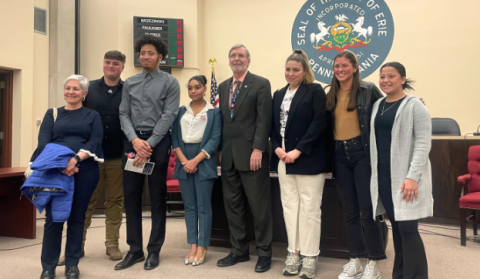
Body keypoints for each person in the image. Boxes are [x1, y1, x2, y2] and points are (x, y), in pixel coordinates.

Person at [115, 34, 180, 271]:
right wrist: (135, 140)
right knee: (131, 199)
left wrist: (148, 144)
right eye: (142, 52)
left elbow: (169, 115)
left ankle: (154, 250)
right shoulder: (130, 82)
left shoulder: (170, 83)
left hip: (158, 143)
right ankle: (134, 250)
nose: (145, 56)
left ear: (160, 56)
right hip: (132, 144)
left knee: (156, 199)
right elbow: (123, 114)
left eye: (150, 53)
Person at [57, 50, 127, 266]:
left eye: (116, 63)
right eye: (108, 62)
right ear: (103, 64)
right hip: (89, 156)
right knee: (84, 201)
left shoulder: (129, 90)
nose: (111, 66)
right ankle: (76, 247)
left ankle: (112, 244)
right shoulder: (89, 90)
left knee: (115, 200)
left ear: (122, 67)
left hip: (117, 154)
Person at [35, 75, 104, 279]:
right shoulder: (53, 114)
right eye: (67, 88)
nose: (71, 92)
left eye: (75, 89)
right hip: (55, 171)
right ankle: (48, 266)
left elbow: (95, 142)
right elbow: (44, 142)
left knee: (77, 217)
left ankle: (72, 264)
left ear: (84, 93)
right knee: (53, 218)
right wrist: (63, 163)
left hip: (85, 170)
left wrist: (75, 159)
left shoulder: (93, 115)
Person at [325, 50, 386, 279]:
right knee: (349, 212)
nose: (340, 70)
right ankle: (356, 260)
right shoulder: (330, 93)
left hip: (362, 152)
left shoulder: (367, 89)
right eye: (336, 66)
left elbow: (387, 109)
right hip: (339, 155)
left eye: (344, 66)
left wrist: (408, 104)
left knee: (367, 211)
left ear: (355, 67)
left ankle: (373, 262)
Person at [270, 49, 329, 279]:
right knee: (290, 207)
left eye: (295, 70)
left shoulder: (314, 91)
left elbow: (319, 123)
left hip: (309, 157)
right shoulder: (278, 94)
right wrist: (277, 148)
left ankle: (310, 255)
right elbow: (273, 127)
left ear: (304, 71)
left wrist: (298, 150)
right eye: (287, 69)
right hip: (283, 157)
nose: (291, 73)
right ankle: (293, 252)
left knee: (310, 209)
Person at [370, 62, 432, 279]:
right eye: (382, 76)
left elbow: (423, 143)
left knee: (408, 230)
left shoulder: (415, 105)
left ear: (403, 79)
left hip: (405, 179)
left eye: (391, 76)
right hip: (384, 177)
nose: (386, 80)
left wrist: (413, 177)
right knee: (396, 229)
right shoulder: (378, 104)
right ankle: (400, 274)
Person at [216, 44, 273, 273]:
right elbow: (223, 121)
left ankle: (265, 253)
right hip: (228, 156)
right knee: (233, 206)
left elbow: (264, 119)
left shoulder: (260, 83)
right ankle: (239, 250)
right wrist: (219, 150)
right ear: (229, 60)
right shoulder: (223, 86)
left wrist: (258, 149)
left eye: (241, 55)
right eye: (233, 55)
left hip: (253, 156)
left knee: (259, 208)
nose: (236, 58)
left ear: (248, 61)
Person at [171, 75, 222, 266]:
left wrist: (196, 160)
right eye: (190, 88)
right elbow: (175, 138)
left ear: (205, 89)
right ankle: (192, 245)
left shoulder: (214, 112)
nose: (193, 91)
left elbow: (214, 139)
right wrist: (185, 161)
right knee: (189, 206)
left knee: (203, 206)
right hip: (184, 159)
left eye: (197, 87)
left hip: (204, 159)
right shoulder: (180, 111)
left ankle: (202, 246)